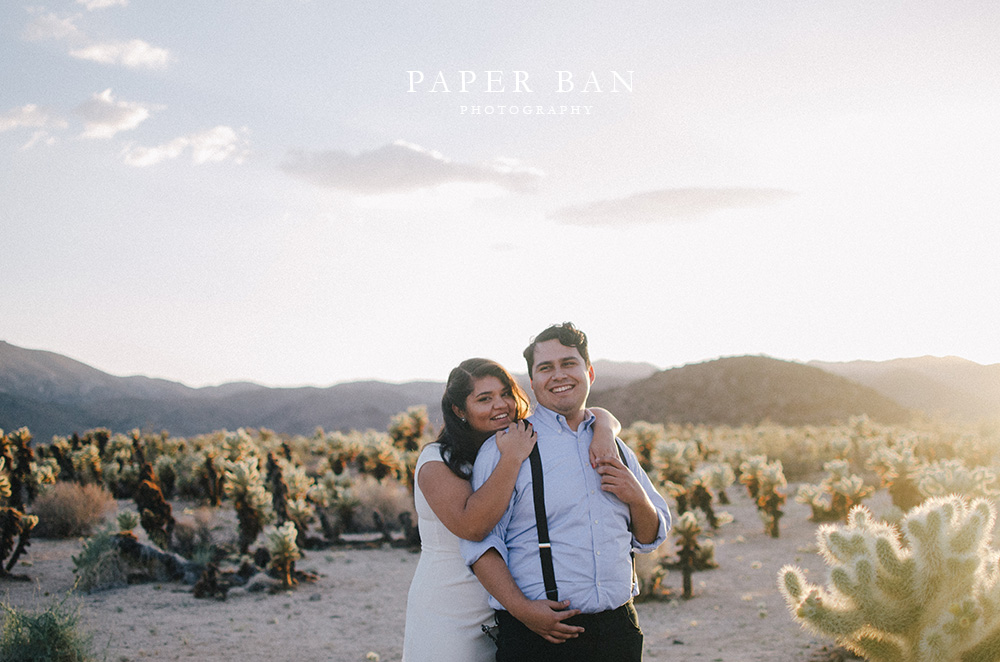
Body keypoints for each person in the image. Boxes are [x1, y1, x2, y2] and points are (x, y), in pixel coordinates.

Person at [461, 324, 672, 662]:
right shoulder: (507, 448)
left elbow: (648, 537)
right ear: (532, 382)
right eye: (546, 367)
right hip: (541, 637)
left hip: (619, 630)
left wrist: (636, 497)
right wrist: (524, 611)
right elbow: (481, 545)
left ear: (588, 371)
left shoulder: (615, 446)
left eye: (569, 363)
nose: (558, 375)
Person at [402, 357, 621, 662]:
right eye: (484, 398)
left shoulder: (510, 442)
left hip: (510, 607)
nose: (501, 405)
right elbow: (473, 526)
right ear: (458, 410)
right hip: (454, 606)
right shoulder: (437, 460)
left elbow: (592, 414)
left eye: (505, 393)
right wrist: (512, 458)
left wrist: (604, 429)